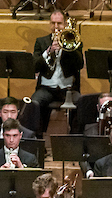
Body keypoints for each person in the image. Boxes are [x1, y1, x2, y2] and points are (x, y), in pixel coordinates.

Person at [24, 8, 82, 136]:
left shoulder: (74, 41)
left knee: (80, 103)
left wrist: (67, 49)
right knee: (34, 103)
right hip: (46, 88)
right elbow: (34, 67)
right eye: (53, 23)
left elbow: (80, 64)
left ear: (65, 24)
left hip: (68, 89)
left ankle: (74, 140)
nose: (56, 27)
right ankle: (37, 140)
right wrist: (48, 52)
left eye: (59, 23)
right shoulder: (41, 41)